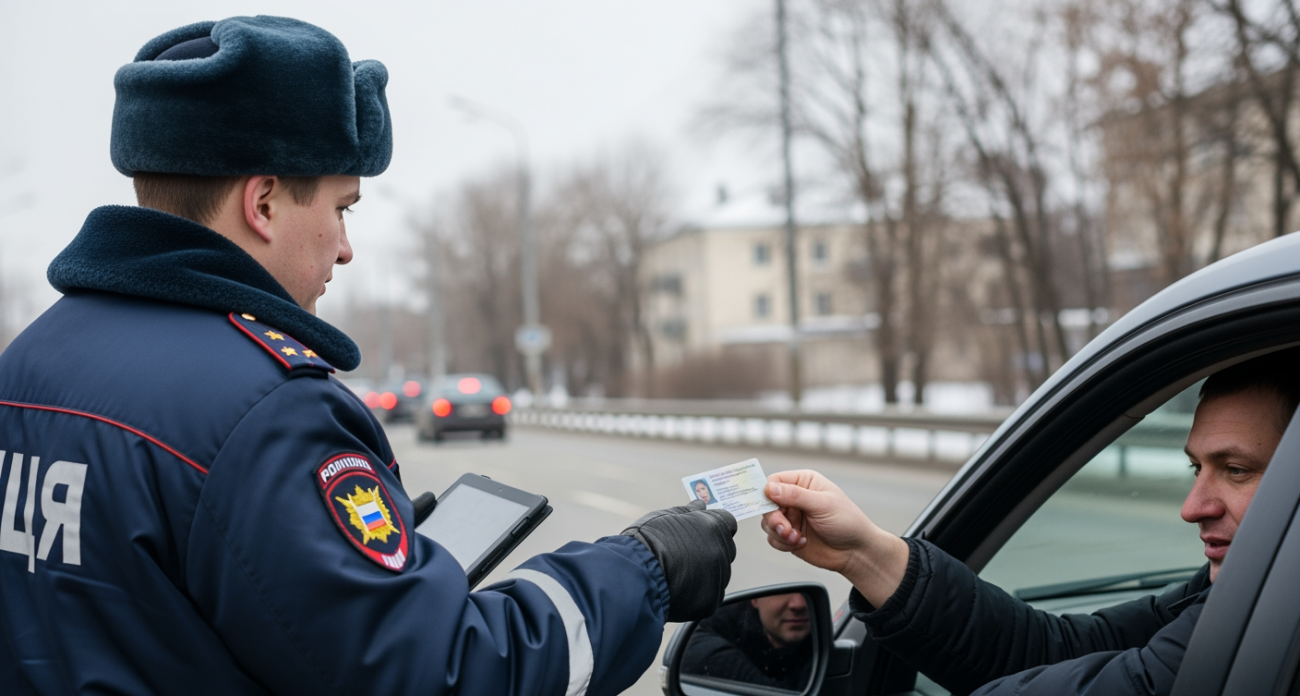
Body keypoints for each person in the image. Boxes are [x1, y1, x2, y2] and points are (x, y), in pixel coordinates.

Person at [0, 16, 737, 696]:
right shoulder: (268, 413)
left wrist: (330, 556)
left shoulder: (29, 363)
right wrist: (645, 568)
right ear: (263, 204)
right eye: (341, 207)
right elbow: (443, 675)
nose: (347, 248)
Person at [760, 349, 1300, 696]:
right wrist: (863, 554)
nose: (1193, 506)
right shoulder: (1235, 601)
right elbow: (1057, 656)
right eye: (1195, 468)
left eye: (1235, 470)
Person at [682, 592, 813, 690]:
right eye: (783, 592)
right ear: (755, 599)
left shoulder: (819, 639)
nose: (799, 604)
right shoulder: (718, 628)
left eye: (808, 593)